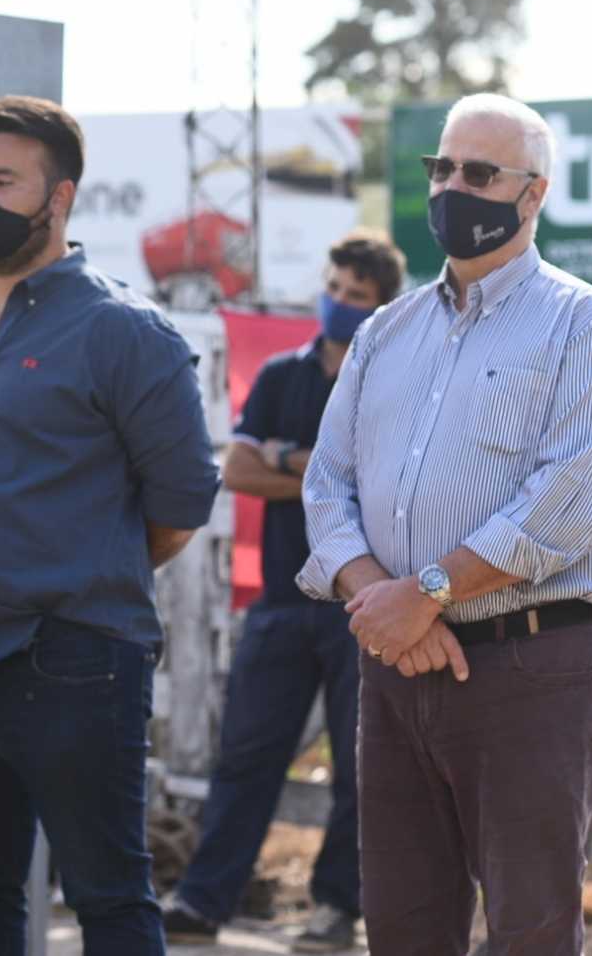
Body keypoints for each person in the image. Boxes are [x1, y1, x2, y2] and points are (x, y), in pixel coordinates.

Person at [296, 92, 592, 955]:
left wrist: (429, 592)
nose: (454, 186)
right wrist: (385, 602)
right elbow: (325, 483)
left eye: (480, 173)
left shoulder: (588, 326)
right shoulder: (386, 332)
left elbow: (568, 503)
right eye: (442, 168)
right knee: (404, 925)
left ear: (532, 196)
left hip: (532, 668)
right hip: (395, 665)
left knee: (529, 929)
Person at [0, 95, 221, 955]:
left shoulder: (125, 333)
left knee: (109, 901)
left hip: (74, 665)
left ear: (61, 197)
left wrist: (80, 572)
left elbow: (182, 506)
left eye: (4, 181)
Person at [163, 231, 406, 951]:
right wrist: (326, 473)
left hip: (361, 605)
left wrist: (285, 459)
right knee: (244, 756)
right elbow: (235, 473)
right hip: (279, 601)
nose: (338, 304)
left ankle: (337, 907)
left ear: (380, 308)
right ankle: (206, 899)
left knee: (362, 771)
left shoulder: (391, 384)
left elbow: (383, 484)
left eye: (355, 297)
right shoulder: (279, 375)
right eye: (333, 288)